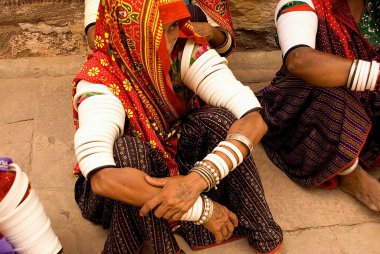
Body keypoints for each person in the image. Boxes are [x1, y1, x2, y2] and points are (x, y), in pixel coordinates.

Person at [72, 0, 283, 253]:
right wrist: (201, 210)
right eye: (165, 29)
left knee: (218, 119)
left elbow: (253, 118)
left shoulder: (183, 51)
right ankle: (158, 244)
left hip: (175, 153)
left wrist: (195, 182)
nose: (176, 36)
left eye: (176, 26)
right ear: (136, 31)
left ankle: (265, 234)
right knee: (128, 150)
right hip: (127, 186)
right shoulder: (98, 82)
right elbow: (102, 178)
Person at [257, 0, 380, 211]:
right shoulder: (301, 2)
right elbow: (299, 61)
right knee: (326, 96)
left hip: (367, 101)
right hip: (312, 105)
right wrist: (375, 76)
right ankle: (350, 174)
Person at [84, 0, 235, 56]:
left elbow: (225, 48)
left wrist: (212, 32)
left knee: (191, 13)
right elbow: (94, 38)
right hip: (135, 66)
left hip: (184, 64)